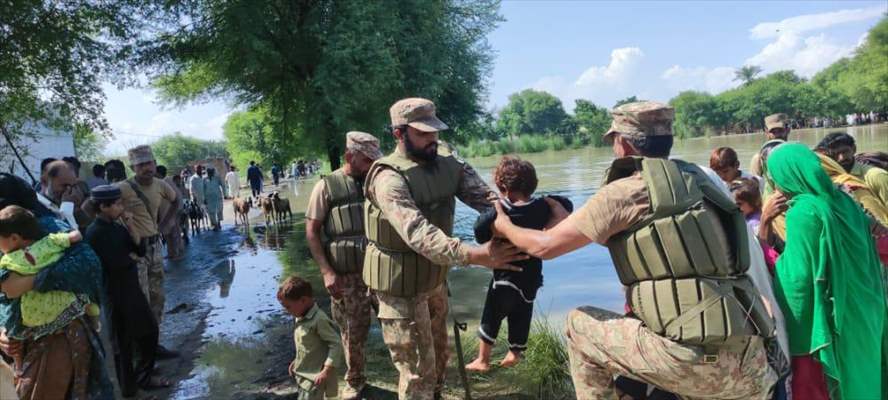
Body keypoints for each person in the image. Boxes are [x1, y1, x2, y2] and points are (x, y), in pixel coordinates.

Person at [492, 101, 781, 400]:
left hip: (697, 369)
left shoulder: (625, 191)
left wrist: (503, 225)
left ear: (624, 143)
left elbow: (545, 246)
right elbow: (651, 243)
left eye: (614, 140)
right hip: (754, 364)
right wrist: (570, 222)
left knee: (578, 324)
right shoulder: (700, 180)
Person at [363, 97, 526, 399]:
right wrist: (478, 256)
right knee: (415, 378)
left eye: (434, 132)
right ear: (399, 134)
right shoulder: (387, 179)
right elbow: (418, 233)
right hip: (400, 289)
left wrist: (518, 223)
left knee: (439, 361)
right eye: (423, 134)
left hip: (434, 281)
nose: (432, 140)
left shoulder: (447, 162)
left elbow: (486, 200)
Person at [767, 143, 886, 399]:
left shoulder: (804, 211)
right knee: (864, 374)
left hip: (835, 316)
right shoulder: (844, 198)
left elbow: (798, 279)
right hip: (866, 305)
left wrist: (768, 257)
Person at [0, 172, 113, 400]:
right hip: (19, 348)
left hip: (61, 338)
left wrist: (32, 281)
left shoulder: (49, 228)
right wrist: (2, 330)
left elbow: (88, 265)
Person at [466, 156, 572, 372]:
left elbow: (479, 231)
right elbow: (566, 206)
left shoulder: (500, 210)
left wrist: (491, 221)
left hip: (505, 278)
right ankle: (515, 353)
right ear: (534, 184)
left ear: (501, 186)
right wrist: (549, 199)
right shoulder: (542, 208)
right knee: (522, 315)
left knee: (491, 316)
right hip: (531, 279)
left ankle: (483, 360)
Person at [305, 131, 382, 399]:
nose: (372, 165)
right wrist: (327, 272)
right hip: (347, 276)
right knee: (352, 332)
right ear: (350, 156)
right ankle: (356, 381)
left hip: (383, 273)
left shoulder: (379, 182)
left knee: (398, 326)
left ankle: (411, 379)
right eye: (366, 160)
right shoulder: (326, 187)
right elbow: (312, 231)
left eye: (375, 160)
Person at [83, 146, 179, 359]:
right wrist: (112, 232)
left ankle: (153, 345)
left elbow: (176, 201)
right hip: (135, 252)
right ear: (133, 167)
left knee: (157, 299)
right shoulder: (121, 188)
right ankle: (140, 352)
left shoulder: (161, 185)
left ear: (155, 163)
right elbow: (88, 207)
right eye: (141, 165)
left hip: (155, 249)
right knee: (140, 303)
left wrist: (164, 226)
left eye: (150, 163)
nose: (147, 168)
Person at [84, 185, 169, 397]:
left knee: (148, 331)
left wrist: (131, 226)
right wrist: (129, 258)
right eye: (117, 204)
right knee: (122, 342)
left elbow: (139, 250)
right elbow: (114, 263)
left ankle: (142, 377)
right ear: (103, 207)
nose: (122, 207)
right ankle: (131, 386)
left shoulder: (117, 226)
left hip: (130, 285)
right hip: (115, 290)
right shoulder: (95, 233)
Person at [0, 206, 99, 359]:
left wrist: (37, 279)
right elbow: (75, 235)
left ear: (14, 237)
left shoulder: (47, 228)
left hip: (56, 329)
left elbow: (88, 264)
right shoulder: (48, 242)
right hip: (52, 315)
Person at [278, 276, 343, 400]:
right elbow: (306, 346)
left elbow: (336, 344)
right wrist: (296, 361)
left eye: (288, 307)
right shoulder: (301, 316)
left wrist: (326, 370)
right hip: (303, 374)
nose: (287, 311)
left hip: (315, 378)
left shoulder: (319, 320)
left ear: (303, 300)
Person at [815, 132, 888, 206]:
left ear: (854, 149)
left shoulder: (876, 176)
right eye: (836, 154)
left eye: (845, 152)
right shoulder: (832, 180)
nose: (841, 158)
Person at [38, 160, 91, 229]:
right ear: (44, 182)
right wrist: (67, 206)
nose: (70, 191)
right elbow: (66, 234)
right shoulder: (36, 207)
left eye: (73, 186)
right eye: (64, 185)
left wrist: (76, 209)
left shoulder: (67, 202)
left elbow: (87, 230)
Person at [750, 113, 790, 196]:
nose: (777, 135)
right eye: (773, 132)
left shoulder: (794, 153)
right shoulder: (759, 158)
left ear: (788, 130)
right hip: (771, 201)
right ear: (766, 132)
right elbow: (753, 187)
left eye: (780, 131)